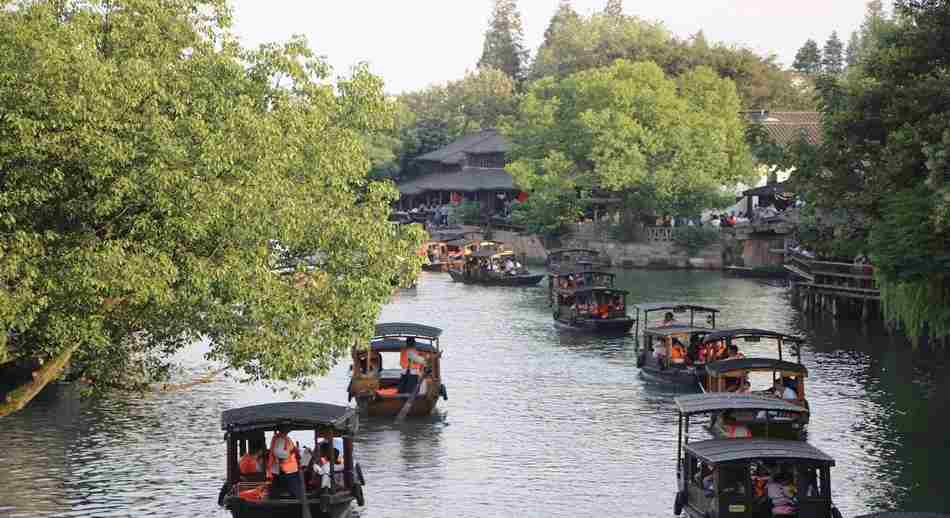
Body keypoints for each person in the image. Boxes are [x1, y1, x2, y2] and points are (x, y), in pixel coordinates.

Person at [266, 427, 302, 499]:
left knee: (279, 490)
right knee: (295, 492)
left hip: (285, 469)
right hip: (287, 469)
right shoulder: (280, 438)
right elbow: (279, 454)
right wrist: (293, 451)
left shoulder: (282, 438)